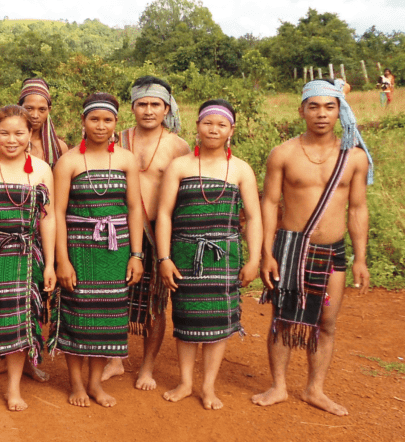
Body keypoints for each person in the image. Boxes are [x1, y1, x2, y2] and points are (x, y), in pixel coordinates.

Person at [252, 78, 373, 416]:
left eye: (329, 107)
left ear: (340, 111)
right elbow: (269, 203)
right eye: (314, 106)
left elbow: (358, 208)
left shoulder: (355, 158)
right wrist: (266, 253)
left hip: (333, 250)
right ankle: (278, 385)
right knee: (282, 319)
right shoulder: (284, 153)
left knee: (327, 322)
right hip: (290, 247)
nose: (322, 114)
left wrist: (360, 257)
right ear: (302, 110)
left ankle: (314, 389)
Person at [155, 100, 262, 410]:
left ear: (231, 130)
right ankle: (186, 382)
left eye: (221, 125)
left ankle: (208, 386)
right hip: (185, 255)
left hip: (224, 256)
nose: (213, 129)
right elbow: (164, 214)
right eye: (207, 123)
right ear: (197, 126)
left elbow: (254, 217)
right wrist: (164, 258)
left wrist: (253, 258)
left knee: (218, 323)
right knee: (186, 319)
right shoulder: (181, 165)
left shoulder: (240, 168)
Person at [49, 92, 144, 408]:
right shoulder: (69, 161)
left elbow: (133, 208)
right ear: (83, 121)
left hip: (115, 252)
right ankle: (76, 384)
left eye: (107, 120)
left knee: (108, 318)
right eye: (94, 119)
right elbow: (58, 213)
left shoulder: (126, 159)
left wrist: (136, 254)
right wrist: (62, 260)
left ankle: (94, 384)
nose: (100, 126)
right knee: (78, 316)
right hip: (79, 251)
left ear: (117, 124)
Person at [0, 105, 56, 412]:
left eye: (19, 133)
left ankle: (14, 389)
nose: (12, 140)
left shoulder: (42, 169)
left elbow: (49, 217)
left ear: (30, 134)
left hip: (28, 255)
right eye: (4, 133)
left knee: (21, 323)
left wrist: (51, 263)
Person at [103, 76, 190, 389]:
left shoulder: (179, 147)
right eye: (142, 104)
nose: (149, 110)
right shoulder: (115, 138)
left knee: (155, 304)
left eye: (155, 104)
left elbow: (182, 198)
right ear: (132, 107)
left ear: (167, 108)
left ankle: (147, 367)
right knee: (112, 298)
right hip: (115, 233)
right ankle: (113, 360)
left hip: (157, 235)